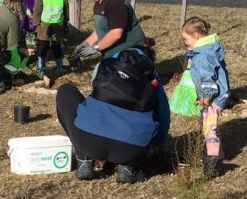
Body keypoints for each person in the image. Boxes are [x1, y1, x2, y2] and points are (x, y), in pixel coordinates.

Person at [56, 42, 169, 184]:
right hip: (131, 149)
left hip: (88, 141)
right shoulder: (152, 77)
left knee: (65, 90)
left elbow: (94, 95)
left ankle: (84, 159)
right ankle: (128, 167)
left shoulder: (105, 65)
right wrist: (158, 145)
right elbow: (163, 113)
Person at [180, 17, 231, 177]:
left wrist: (206, 96)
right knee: (210, 126)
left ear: (196, 36)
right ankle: (217, 156)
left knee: (210, 130)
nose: (184, 42)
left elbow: (207, 78)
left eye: (185, 38)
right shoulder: (209, 49)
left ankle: (212, 164)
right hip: (217, 96)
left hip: (213, 98)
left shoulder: (202, 56)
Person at [74, 0, 145, 60]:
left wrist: (95, 48)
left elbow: (116, 34)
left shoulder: (115, 2)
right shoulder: (99, 2)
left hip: (129, 54)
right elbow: (101, 30)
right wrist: (86, 44)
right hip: (112, 54)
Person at [0, 0, 35, 91]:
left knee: (27, 78)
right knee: (4, 83)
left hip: (12, 73)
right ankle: (8, 82)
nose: (33, 53)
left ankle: (13, 81)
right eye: (32, 50)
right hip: (0, 72)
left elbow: (33, 66)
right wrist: (9, 76)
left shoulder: (25, 56)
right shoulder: (11, 52)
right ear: (25, 48)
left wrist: (44, 76)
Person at [33, 0, 69, 76]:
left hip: (44, 26)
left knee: (42, 47)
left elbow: (37, 11)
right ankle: (59, 67)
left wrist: (36, 23)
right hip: (58, 26)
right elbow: (66, 9)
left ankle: (40, 66)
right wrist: (65, 22)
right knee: (57, 46)